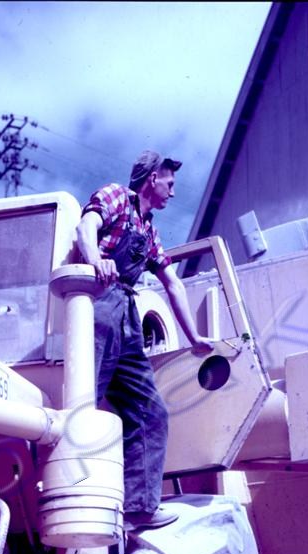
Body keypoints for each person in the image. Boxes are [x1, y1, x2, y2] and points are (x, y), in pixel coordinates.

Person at [75, 150, 213, 532]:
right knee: (83, 403)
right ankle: (74, 500)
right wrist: (95, 260)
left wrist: (194, 337)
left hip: (128, 316)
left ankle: (139, 509)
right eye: (170, 183)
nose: (173, 191)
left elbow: (172, 283)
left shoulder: (150, 232)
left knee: (151, 412)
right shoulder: (117, 197)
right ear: (153, 178)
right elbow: (85, 227)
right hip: (97, 303)